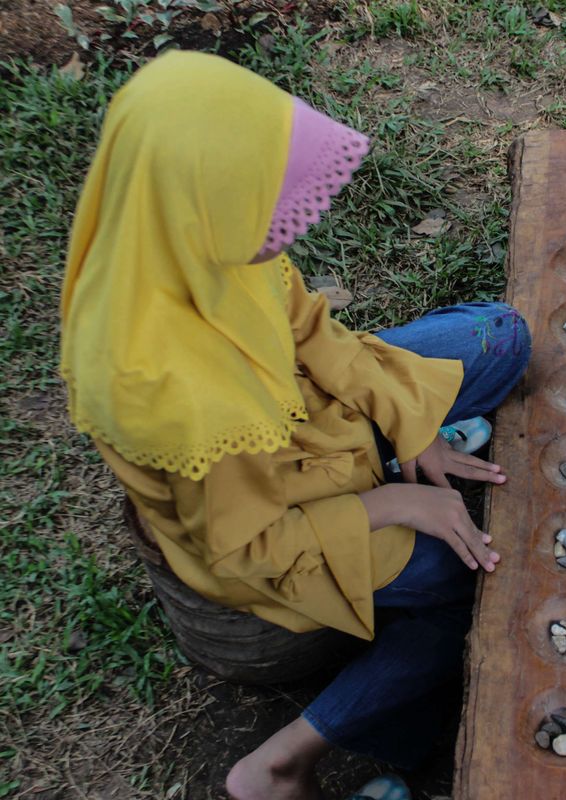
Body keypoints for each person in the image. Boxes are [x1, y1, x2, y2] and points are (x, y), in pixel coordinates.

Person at [59, 51, 530, 800]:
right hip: (270, 526)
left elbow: (310, 327)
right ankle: (282, 762)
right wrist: (393, 502)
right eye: (263, 192)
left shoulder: (178, 237)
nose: (288, 217)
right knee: (461, 584)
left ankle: (407, 456)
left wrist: (408, 423)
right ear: (210, 195)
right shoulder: (175, 391)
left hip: (315, 428)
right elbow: (248, 546)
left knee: (500, 336)